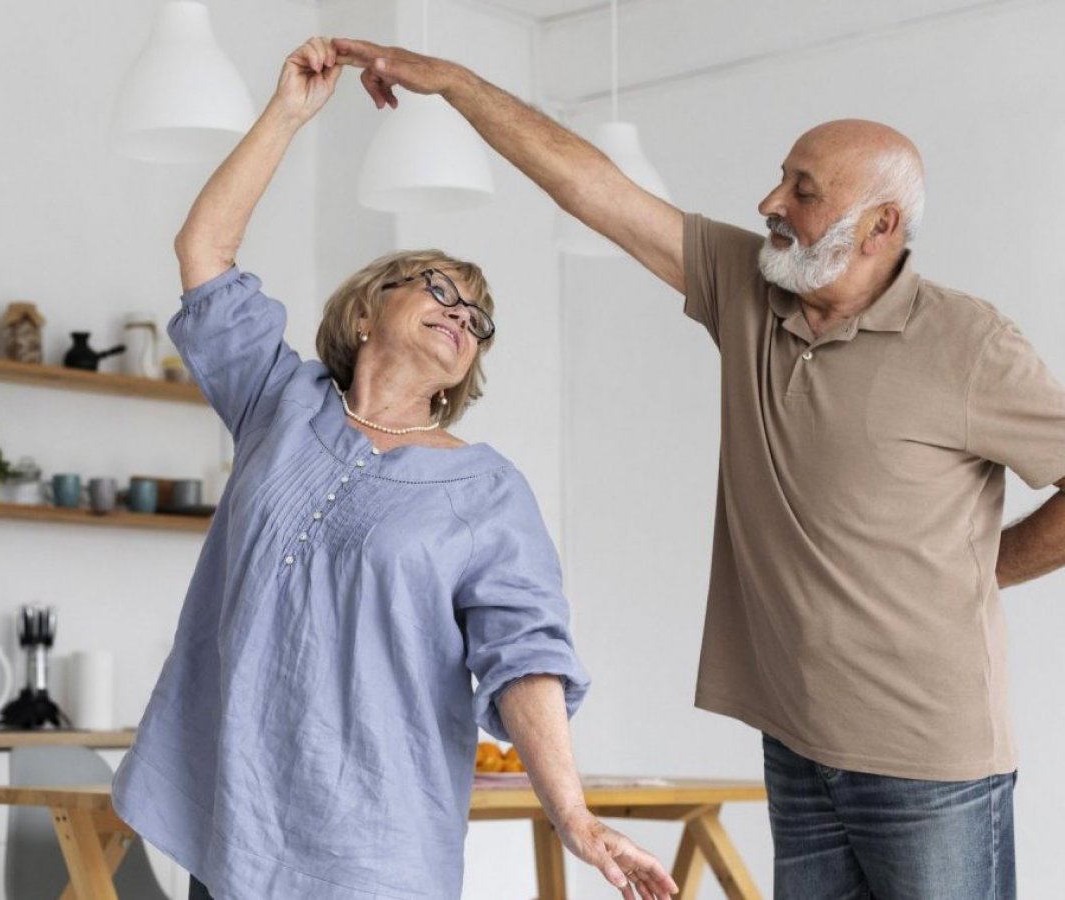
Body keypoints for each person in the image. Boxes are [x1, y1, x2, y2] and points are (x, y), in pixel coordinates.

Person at [330, 36, 1065, 900]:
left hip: (928, 759)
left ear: (880, 227)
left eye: (803, 190)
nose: (770, 202)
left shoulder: (970, 345)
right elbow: (592, 188)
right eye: (781, 178)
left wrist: (980, 570)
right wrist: (455, 82)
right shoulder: (748, 289)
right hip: (796, 744)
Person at [111, 37, 677, 900]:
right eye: (439, 290)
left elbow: (527, 656)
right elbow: (204, 252)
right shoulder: (280, 404)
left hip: (372, 850)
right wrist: (289, 115)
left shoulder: (488, 492)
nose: (462, 316)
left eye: (478, 319)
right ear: (369, 310)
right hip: (235, 830)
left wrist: (576, 816)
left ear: (469, 368)